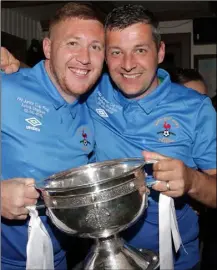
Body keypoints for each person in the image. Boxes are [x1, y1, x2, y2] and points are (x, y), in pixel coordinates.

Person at [2, 4, 216, 270]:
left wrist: (193, 180)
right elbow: (52, 80)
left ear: (160, 52)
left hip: (176, 260)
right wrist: (15, 67)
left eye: (140, 50)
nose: (127, 65)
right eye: (116, 52)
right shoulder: (91, 90)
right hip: (98, 258)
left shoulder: (196, 108)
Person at [1, 2, 105, 270]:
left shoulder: (93, 107)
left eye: (95, 46)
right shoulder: (6, 88)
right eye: (72, 43)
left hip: (59, 260)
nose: (85, 58)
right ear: (47, 48)